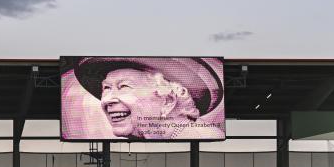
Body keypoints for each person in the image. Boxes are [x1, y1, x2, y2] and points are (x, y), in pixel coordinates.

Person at [73, 57, 225, 140]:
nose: (107, 100)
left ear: (168, 101)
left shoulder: (207, 137)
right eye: (106, 88)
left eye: (124, 87)